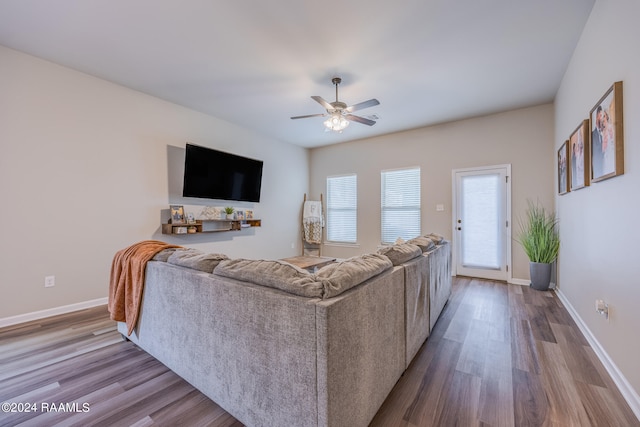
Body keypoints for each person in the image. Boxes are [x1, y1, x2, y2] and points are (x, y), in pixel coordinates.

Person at [591, 106, 604, 179]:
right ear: (597, 117)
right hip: (597, 173)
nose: (601, 119)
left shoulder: (605, 134)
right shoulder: (592, 135)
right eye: (600, 116)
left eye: (603, 116)